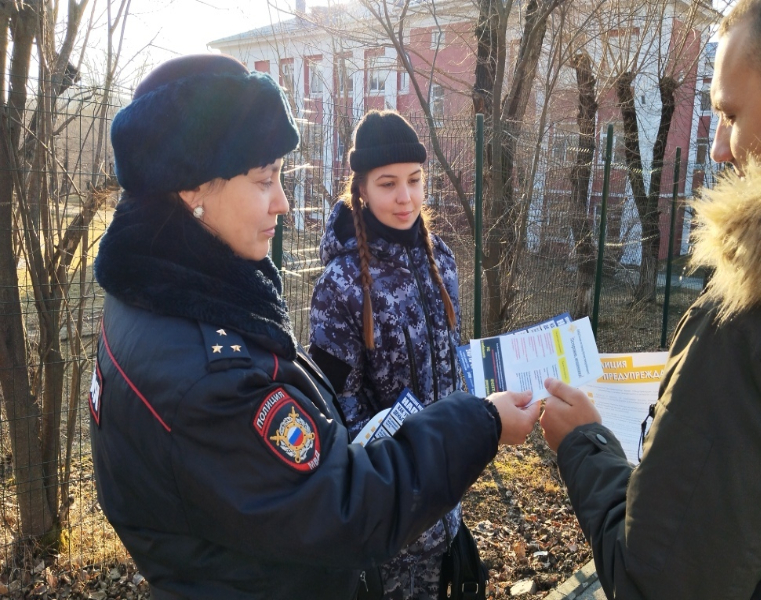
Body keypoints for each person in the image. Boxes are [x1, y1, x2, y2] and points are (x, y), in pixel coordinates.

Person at [89, 54, 541, 600]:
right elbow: (340, 503)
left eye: (416, 181)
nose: (282, 202)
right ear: (192, 190)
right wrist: (480, 426)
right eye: (265, 179)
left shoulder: (166, 303)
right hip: (377, 528)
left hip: (412, 504)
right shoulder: (208, 370)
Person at [538, 0, 761, 598]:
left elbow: (658, 582)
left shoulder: (746, 324)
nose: (720, 150)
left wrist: (583, 443)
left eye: (730, 115)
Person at [309, 110, 465, 599]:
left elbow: (451, 364)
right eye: (388, 183)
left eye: (415, 181)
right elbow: (337, 410)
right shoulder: (340, 284)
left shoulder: (441, 259)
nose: (406, 197)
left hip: (447, 502)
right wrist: (398, 478)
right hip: (388, 518)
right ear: (361, 190)